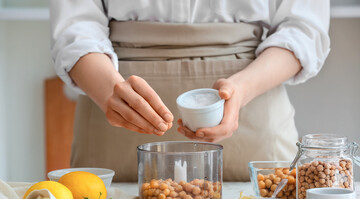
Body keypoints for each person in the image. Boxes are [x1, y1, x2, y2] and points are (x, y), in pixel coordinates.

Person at [49, 0, 330, 182]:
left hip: (253, 112)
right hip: (113, 118)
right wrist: (109, 90)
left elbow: (304, 29)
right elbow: (76, 25)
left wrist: (242, 89)